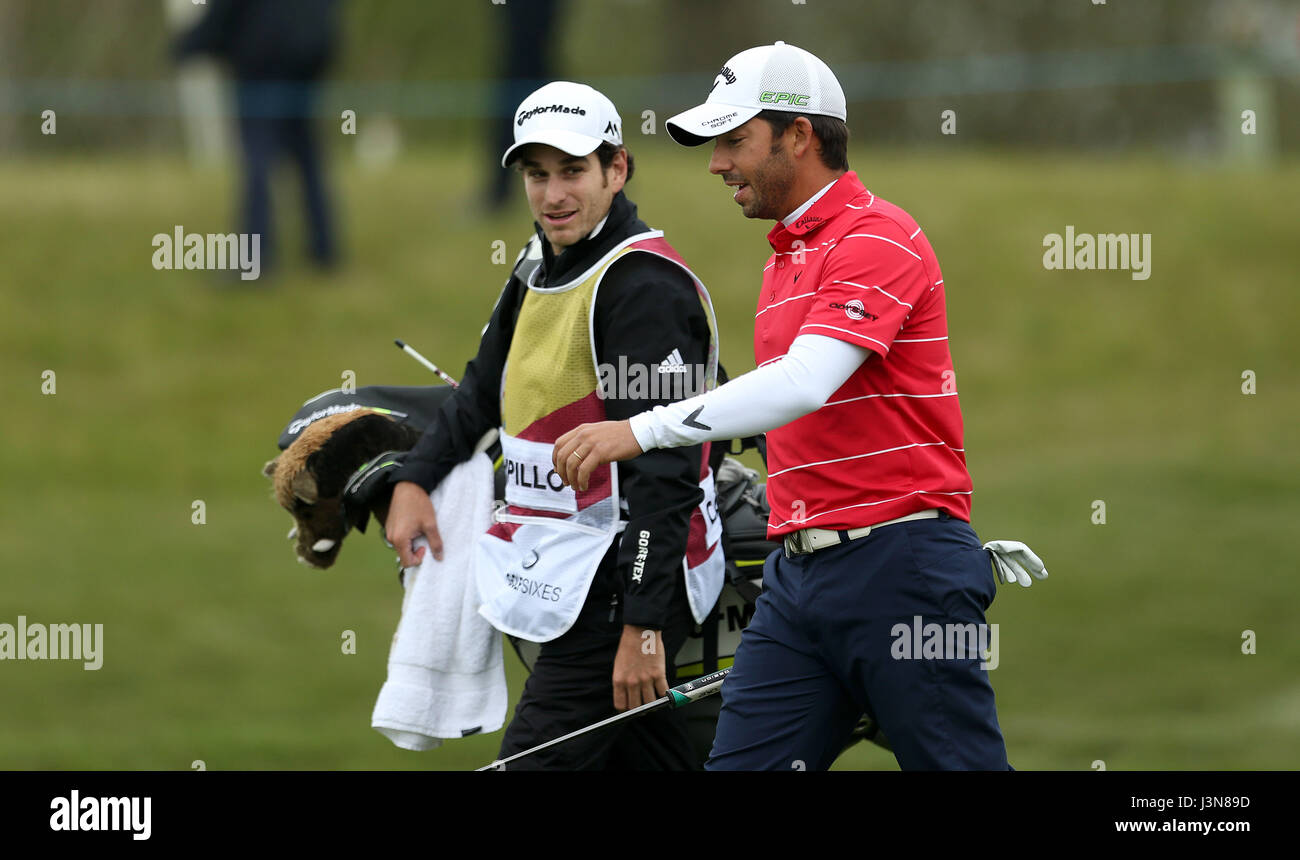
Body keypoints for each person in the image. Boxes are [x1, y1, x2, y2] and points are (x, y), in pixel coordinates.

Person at [553, 42, 1025, 770]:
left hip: (901, 572)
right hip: (796, 582)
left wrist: (640, 431)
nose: (717, 163)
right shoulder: (786, 258)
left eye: (734, 140)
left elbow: (805, 382)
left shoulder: (879, 237)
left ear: (799, 135)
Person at [384, 82, 726, 769]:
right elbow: (484, 388)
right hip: (564, 564)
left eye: (572, 171)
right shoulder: (540, 259)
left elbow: (667, 474)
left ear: (617, 169)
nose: (552, 195)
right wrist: (415, 478)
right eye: (537, 176)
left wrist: (642, 624)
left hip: (623, 582)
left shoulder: (644, 287)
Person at [173, 0, 341, 274]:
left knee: (258, 162)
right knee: (308, 158)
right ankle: (324, 252)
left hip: (263, 66)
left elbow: (225, 13)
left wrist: (187, 47)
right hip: (307, 61)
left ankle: (256, 259)